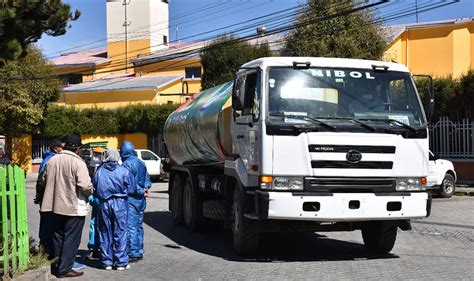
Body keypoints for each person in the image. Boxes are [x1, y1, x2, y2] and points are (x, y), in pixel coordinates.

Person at [40, 134, 93, 278]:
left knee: (57, 237)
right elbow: (85, 185)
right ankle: (65, 269)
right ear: (78, 148)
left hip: (54, 206)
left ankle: (57, 266)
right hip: (73, 207)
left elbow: (43, 180)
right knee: (71, 239)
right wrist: (91, 191)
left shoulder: (53, 160)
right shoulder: (78, 163)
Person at [94, 149, 136, 270]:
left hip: (104, 203)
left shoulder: (99, 171)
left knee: (104, 232)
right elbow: (132, 188)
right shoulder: (123, 170)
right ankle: (121, 262)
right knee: (121, 232)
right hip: (120, 203)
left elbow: (95, 186)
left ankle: (106, 261)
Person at [120, 141, 152, 262]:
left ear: (123, 152)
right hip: (141, 200)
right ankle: (139, 248)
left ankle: (133, 252)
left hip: (131, 199)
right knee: (138, 225)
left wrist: (140, 191)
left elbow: (128, 184)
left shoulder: (126, 165)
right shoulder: (141, 162)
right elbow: (147, 179)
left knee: (131, 226)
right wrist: (145, 189)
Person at [35, 139, 64, 257]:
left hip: (46, 195)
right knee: (49, 223)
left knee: (47, 222)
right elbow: (42, 180)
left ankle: (45, 248)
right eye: (62, 147)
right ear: (56, 148)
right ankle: (46, 250)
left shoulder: (48, 158)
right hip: (49, 196)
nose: (63, 150)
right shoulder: (51, 159)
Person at [86, 147, 107, 260]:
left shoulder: (105, 168)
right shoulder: (91, 167)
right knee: (94, 225)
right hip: (96, 201)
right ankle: (94, 248)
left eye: (99, 154)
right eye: (96, 154)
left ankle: (102, 248)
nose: (97, 157)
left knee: (102, 225)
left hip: (101, 201)